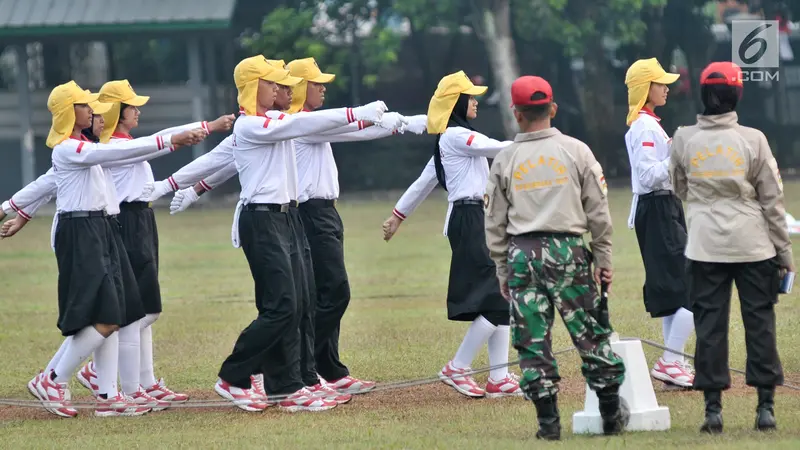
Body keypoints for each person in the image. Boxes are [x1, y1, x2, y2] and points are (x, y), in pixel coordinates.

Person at [212, 55, 387, 412]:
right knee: (283, 306)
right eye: (272, 82)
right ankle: (235, 375)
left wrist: (386, 121)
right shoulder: (249, 126)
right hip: (262, 220)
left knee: (300, 303)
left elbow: (316, 124)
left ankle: (291, 383)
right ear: (252, 87)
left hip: (285, 218)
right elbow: (220, 158)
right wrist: (356, 112)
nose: (280, 88)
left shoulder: (276, 119)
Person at [22, 81, 204, 417]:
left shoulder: (85, 148)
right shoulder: (70, 149)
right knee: (107, 316)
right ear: (68, 112)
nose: (93, 112)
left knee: (116, 315)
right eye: (85, 106)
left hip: (101, 228)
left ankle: (108, 396)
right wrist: (172, 140)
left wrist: (18, 211)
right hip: (84, 230)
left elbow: (51, 182)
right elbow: (113, 154)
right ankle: (54, 378)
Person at [484, 75, 628, 440]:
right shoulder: (577, 151)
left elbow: (494, 222)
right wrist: (604, 259)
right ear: (552, 109)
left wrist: (503, 269)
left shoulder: (505, 159)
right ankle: (611, 416)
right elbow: (598, 212)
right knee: (590, 334)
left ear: (515, 114)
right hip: (569, 253)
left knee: (532, 340)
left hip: (523, 256)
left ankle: (549, 425)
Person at [669, 61, 793, 434]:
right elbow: (772, 202)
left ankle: (713, 412)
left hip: (705, 246)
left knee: (710, 326)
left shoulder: (683, 138)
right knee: (760, 324)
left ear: (702, 94)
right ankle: (765, 409)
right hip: (754, 245)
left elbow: (679, 188)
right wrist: (784, 254)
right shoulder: (753, 139)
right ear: (737, 93)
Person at [384, 70, 523, 399]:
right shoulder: (456, 137)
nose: (475, 101)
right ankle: (458, 367)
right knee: (496, 293)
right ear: (457, 103)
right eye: (470, 96)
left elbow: (423, 182)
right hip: (469, 219)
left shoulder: (449, 141)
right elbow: (496, 148)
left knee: (502, 294)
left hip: (479, 217)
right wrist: (533, 143)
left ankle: (499, 377)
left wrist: (397, 216)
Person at [624, 58, 695, 388]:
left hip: (663, 207)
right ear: (644, 89)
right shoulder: (644, 127)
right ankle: (670, 361)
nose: (667, 87)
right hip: (657, 208)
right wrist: (676, 152)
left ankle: (675, 364)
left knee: (671, 292)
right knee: (691, 285)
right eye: (660, 82)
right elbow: (649, 175)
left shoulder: (650, 124)